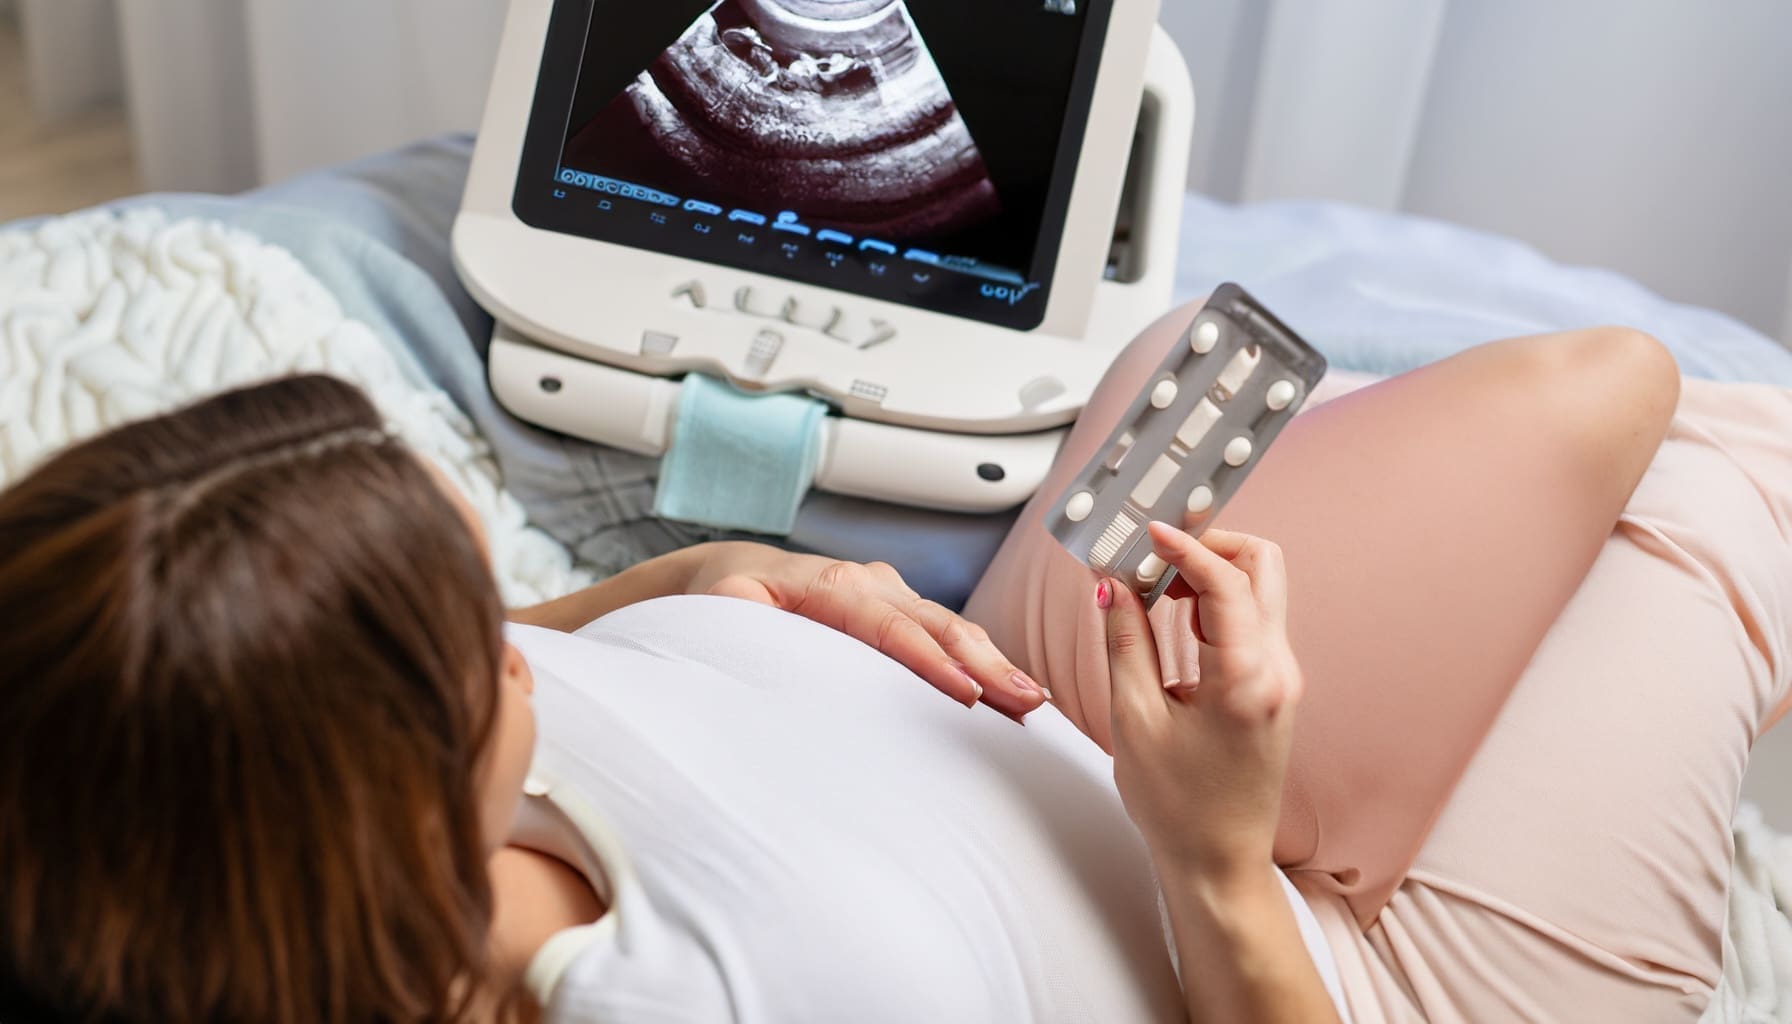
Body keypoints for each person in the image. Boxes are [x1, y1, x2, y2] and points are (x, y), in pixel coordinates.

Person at [0, 302, 1784, 1023]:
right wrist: (1215, 857)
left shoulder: (180, 751)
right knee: (1677, 438)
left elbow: (513, 647)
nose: (527, 642)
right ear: (339, 804)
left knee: (1193, 346)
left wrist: (712, 573)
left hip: (1048, 696)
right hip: (1320, 961)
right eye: (488, 653)